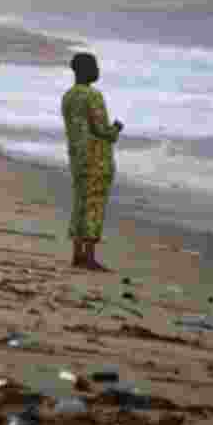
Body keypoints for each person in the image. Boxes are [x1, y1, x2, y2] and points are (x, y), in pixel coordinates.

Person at [62, 53, 123, 271]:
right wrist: (115, 129)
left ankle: (77, 254)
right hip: (95, 158)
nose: (98, 70)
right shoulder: (93, 96)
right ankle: (89, 257)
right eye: (95, 66)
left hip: (77, 157)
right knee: (94, 205)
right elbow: (100, 129)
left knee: (80, 203)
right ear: (85, 70)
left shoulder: (68, 96)